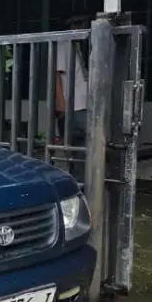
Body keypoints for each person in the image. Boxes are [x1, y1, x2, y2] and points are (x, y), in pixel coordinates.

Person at [55, 15, 90, 179]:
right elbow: (57, 75)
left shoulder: (80, 47)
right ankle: (78, 182)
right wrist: (61, 104)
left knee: (84, 149)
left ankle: (84, 183)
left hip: (84, 104)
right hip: (72, 105)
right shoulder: (64, 44)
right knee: (74, 149)